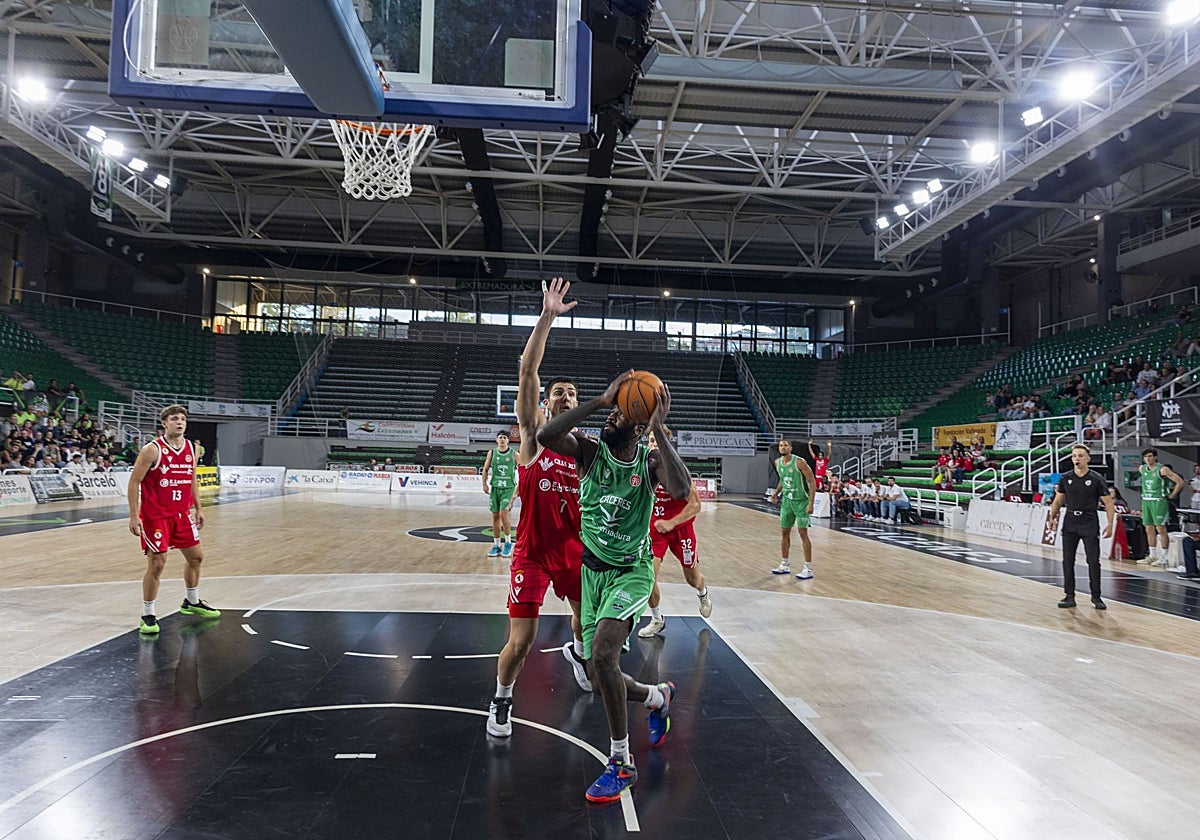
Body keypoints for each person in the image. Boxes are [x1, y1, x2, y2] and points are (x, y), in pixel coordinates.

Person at [536, 369, 689, 803]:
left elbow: (680, 488)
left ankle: (621, 762)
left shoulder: (651, 461)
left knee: (603, 655)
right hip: (592, 572)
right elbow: (547, 435)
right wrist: (602, 402)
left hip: (631, 571)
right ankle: (658, 697)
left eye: (618, 416)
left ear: (638, 425)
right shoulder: (588, 452)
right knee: (597, 671)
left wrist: (658, 427)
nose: (608, 422)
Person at [486, 278, 591, 743]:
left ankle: (580, 653)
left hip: (575, 549)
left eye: (572, 394)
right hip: (531, 551)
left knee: (586, 619)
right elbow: (528, 371)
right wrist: (547, 316)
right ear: (547, 403)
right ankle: (502, 697)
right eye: (558, 393)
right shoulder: (531, 440)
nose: (565, 398)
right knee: (522, 642)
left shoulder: (588, 450)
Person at [126, 405, 220, 635]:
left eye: (183, 419)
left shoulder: (191, 448)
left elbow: (191, 480)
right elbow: (134, 482)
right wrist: (133, 515)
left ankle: (192, 601)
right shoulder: (152, 450)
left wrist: (198, 508)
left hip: (181, 514)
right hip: (155, 516)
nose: (180, 422)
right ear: (164, 424)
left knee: (196, 557)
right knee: (157, 564)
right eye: (174, 419)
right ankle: (148, 614)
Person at [637, 427, 710, 638]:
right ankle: (657, 618)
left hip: (681, 529)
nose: (653, 444)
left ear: (667, 444)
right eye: (651, 440)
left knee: (692, 578)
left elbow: (696, 505)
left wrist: (671, 522)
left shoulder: (677, 469)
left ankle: (702, 591)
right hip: (655, 530)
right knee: (647, 576)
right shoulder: (643, 466)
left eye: (657, 441)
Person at [1047, 443, 1115, 610]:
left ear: (1088, 458)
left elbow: (1108, 503)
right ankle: (1069, 595)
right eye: (1074, 456)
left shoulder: (1096, 479)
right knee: (1067, 560)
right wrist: (1052, 517)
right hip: (1070, 520)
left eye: (1080, 456)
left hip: (1089, 521)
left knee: (1093, 561)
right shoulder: (1065, 478)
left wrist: (1110, 524)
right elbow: (1058, 500)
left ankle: (1096, 596)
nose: (1077, 459)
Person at [769, 438, 817, 578]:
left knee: (803, 533)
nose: (783, 447)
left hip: (801, 502)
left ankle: (808, 568)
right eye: (780, 446)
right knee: (785, 533)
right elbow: (783, 480)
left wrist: (811, 503)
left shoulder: (799, 462)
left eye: (785, 445)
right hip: (787, 502)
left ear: (790, 448)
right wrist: (776, 493)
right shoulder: (777, 462)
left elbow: (812, 481)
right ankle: (784, 564)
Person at [1137, 448, 1185, 567]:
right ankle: (1152, 555)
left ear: (1155, 457)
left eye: (1150, 456)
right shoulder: (1142, 468)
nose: (1148, 459)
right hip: (1146, 500)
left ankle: (1164, 557)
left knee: (1161, 529)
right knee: (1148, 528)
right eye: (1145, 457)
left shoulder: (1162, 469)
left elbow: (1180, 481)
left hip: (1158, 501)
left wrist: (1173, 495)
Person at [481, 431, 517, 557]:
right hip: (495, 488)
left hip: (508, 489)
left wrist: (517, 492)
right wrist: (484, 484)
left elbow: (523, 470)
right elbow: (485, 469)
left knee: (503, 515)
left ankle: (508, 543)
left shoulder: (514, 454)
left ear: (508, 440)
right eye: (500, 437)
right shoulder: (491, 453)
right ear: (497, 440)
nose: (502, 439)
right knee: (495, 517)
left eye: (505, 437)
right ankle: (496, 545)